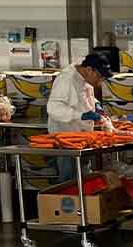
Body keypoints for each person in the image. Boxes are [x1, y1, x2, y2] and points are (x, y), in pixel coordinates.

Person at [46, 52, 111, 180]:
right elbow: (53, 108)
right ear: (89, 69)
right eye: (99, 77)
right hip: (66, 141)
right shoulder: (66, 79)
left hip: (83, 139)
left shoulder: (85, 78)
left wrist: (96, 105)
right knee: (69, 180)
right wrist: (80, 115)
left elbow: (86, 99)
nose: (100, 82)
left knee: (84, 179)